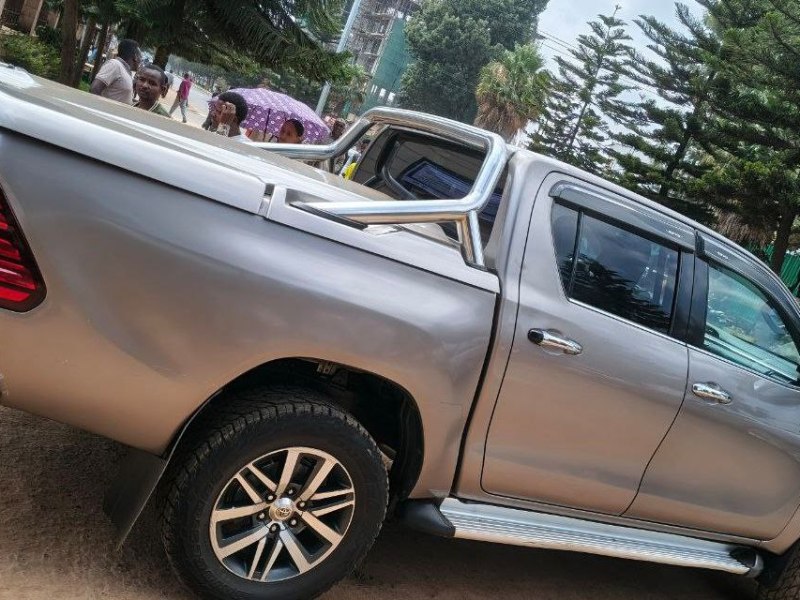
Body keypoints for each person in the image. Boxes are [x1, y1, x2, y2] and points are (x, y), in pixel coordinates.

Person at [90, 39, 141, 105]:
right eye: (140, 57)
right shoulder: (115, 65)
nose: (141, 60)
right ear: (135, 56)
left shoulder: (124, 69)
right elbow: (95, 88)